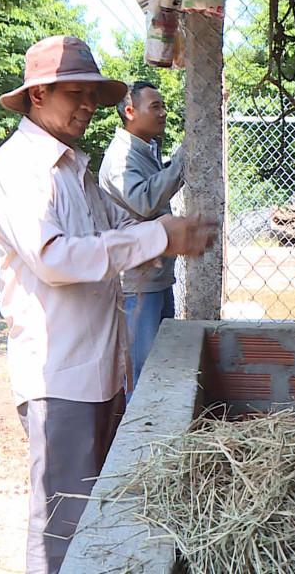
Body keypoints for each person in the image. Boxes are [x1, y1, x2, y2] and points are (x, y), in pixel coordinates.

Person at [0, 36, 214, 574]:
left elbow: (111, 232)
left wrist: (160, 237)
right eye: (74, 93)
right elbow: (57, 260)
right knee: (63, 524)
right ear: (37, 95)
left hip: (98, 371)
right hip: (59, 378)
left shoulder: (71, 168)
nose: (87, 105)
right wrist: (157, 238)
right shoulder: (20, 169)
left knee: (93, 510)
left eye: (93, 95)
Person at [98, 81, 185, 400]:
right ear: (130, 112)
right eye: (155, 107)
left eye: (163, 106)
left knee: (159, 362)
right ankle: (138, 440)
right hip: (137, 279)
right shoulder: (120, 158)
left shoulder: (144, 148)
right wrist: (183, 162)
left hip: (154, 275)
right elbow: (144, 200)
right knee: (144, 369)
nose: (163, 113)